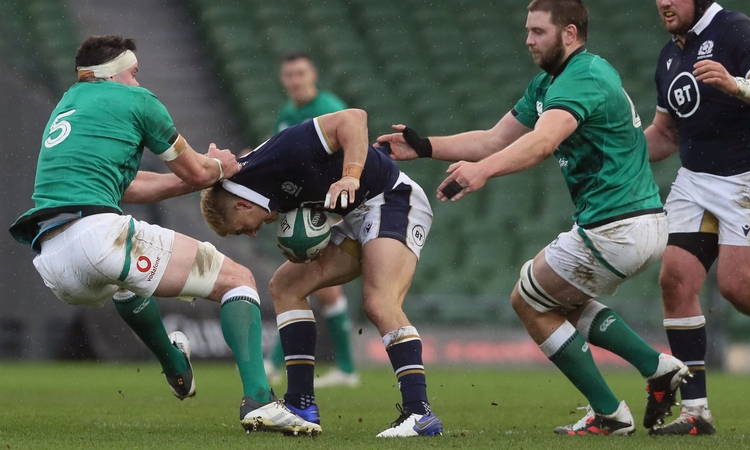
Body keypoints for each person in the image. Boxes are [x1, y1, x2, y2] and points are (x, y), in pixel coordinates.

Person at [377, 0, 689, 436]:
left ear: (570, 34)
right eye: (527, 30)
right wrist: (424, 145)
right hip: (635, 223)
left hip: (618, 226)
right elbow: (491, 139)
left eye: (538, 31)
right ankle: (656, 367)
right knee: (559, 300)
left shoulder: (584, 77)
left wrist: (482, 173)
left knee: (528, 301)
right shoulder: (549, 83)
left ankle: (609, 413)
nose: (528, 39)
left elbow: (543, 143)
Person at [8, 35, 320, 436]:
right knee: (238, 280)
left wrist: (201, 176)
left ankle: (175, 365)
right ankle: (259, 400)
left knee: (126, 285)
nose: (138, 82)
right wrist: (222, 165)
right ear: (115, 72)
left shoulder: (67, 106)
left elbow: (131, 188)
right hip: (97, 236)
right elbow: (198, 172)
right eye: (134, 73)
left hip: (53, 261)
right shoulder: (138, 101)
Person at [198, 108, 443, 438]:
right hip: (355, 214)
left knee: (379, 302)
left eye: (244, 230)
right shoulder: (250, 185)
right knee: (285, 286)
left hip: (392, 197)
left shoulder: (281, 155)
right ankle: (301, 406)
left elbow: (354, 118)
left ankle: (419, 413)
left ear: (242, 205)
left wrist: (351, 176)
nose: (253, 233)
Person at [644, 0, 750, 436]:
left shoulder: (737, 30)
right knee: (674, 279)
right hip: (695, 178)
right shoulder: (670, 54)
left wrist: (736, 85)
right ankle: (696, 413)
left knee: (739, 288)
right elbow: (666, 133)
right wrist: (619, 154)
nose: (664, 2)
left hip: (749, 174)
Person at [265, 51, 358, 389]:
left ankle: (280, 363)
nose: (295, 81)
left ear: (313, 75)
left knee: (313, 285)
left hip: (327, 210)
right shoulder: (289, 112)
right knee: (315, 286)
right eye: (289, 75)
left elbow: (348, 150)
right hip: (306, 209)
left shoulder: (328, 106)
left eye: (300, 74)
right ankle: (344, 369)